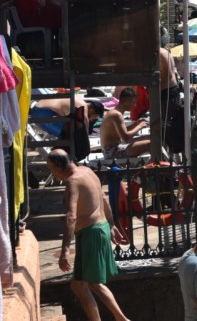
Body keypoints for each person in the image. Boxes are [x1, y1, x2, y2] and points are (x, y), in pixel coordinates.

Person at [46, 150, 129, 321]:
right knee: (88, 284)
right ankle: (121, 319)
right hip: (100, 228)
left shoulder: (72, 182)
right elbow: (103, 198)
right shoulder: (88, 171)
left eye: (51, 169)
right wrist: (111, 225)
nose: (52, 173)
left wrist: (65, 251)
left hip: (91, 234)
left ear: (59, 166)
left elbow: (71, 217)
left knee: (82, 285)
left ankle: (121, 319)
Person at [99, 88, 150, 159]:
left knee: (151, 138)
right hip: (112, 151)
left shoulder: (114, 112)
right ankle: (156, 163)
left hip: (113, 148)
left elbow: (122, 132)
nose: (135, 105)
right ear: (126, 102)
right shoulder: (117, 115)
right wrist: (139, 127)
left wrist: (135, 124)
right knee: (151, 144)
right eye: (134, 102)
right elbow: (125, 138)